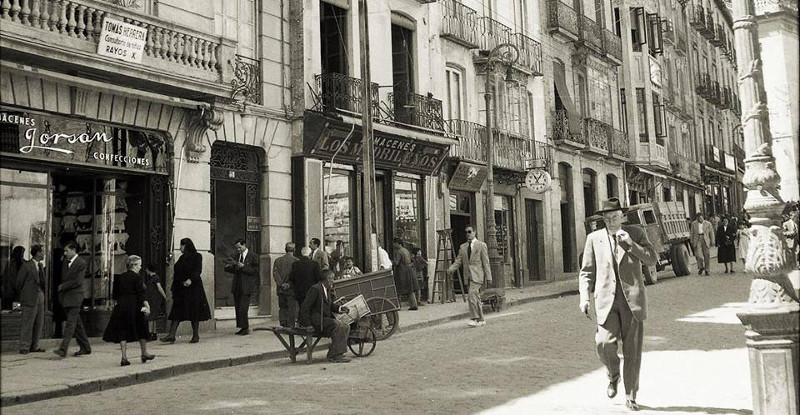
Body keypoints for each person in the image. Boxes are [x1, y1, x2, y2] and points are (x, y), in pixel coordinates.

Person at [578, 198, 657, 412]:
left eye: (614, 217)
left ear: (622, 216)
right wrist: (584, 297)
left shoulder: (636, 233)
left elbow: (652, 259)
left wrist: (631, 245)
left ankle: (631, 395)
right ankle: (613, 375)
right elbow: (586, 271)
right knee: (603, 344)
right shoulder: (594, 238)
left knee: (632, 351)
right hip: (606, 301)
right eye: (606, 218)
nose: (610, 221)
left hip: (632, 301)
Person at [102, 255, 155, 366]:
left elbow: (116, 293)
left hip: (121, 306)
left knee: (123, 330)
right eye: (139, 265)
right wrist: (147, 306)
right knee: (142, 327)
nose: (140, 267)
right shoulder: (137, 278)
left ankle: (124, 357)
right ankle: (144, 353)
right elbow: (141, 295)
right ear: (134, 265)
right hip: (136, 305)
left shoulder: (120, 277)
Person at [161, 238, 211, 344]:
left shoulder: (197, 256)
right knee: (177, 311)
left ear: (187, 246)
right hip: (181, 289)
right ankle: (171, 335)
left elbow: (198, 270)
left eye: (182, 245)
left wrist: (190, 280)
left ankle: (195, 335)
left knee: (194, 311)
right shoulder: (182, 258)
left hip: (193, 289)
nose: (180, 248)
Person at [298, 270, 351, 363]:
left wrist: (340, 308)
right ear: (325, 279)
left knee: (345, 326)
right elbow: (305, 307)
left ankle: (336, 353)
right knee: (340, 325)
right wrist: (307, 324)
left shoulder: (326, 290)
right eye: (331, 279)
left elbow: (330, 306)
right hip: (316, 321)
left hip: (324, 320)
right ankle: (334, 355)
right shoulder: (315, 289)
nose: (333, 281)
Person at [447, 224, 492, 328]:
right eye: (466, 232)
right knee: (475, 297)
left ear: (474, 232)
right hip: (467, 276)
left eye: (469, 232)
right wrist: (451, 269)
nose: (467, 234)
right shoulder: (463, 247)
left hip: (477, 275)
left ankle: (473, 318)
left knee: (471, 295)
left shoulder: (481, 245)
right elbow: (458, 261)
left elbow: (486, 262)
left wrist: (489, 276)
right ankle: (481, 319)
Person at [53, 241, 92, 358]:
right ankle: (86, 347)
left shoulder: (81, 263)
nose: (65, 253)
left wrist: (63, 286)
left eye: (67, 251)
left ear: (74, 250)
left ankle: (63, 348)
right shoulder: (65, 262)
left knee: (70, 324)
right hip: (65, 297)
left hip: (75, 297)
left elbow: (78, 281)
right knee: (77, 324)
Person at [225, 238, 259, 335]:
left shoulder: (253, 256)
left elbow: (255, 271)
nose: (238, 250)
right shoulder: (236, 256)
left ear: (244, 245)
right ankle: (241, 327)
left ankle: (245, 327)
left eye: (239, 247)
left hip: (247, 286)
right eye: (237, 248)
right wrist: (228, 267)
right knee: (238, 307)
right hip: (237, 285)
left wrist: (243, 266)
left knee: (243, 308)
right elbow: (235, 270)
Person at [16, 245, 46, 354]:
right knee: (28, 322)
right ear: (37, 253)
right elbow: (19, 283)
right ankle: (24, 347)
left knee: (39, 322)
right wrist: (24, 294)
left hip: (40, 295)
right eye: (42, 252)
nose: (43, 254)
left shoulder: (41, 265)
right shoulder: (26, 266)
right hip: (29, 297)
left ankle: (35, 345)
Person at [289, 247, 322, 316]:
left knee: (301, 306)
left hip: (299, 290)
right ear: (310, 254)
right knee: (311, 307)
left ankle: (302, 322)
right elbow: (319, 278)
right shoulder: (314, 264)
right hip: (311, 289)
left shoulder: (295, 264)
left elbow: (291, 277)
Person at [273, 242, 299, 327]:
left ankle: (283, 323)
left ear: (285, 249)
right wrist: (289, 284)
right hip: (292, 289)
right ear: (294, 250)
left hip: (281, 289)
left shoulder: (278, 260)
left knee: (282, 307)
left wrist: (281, 284)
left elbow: (275, 274)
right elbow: (296, 275)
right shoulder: (296, 261)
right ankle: (290, 324)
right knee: (291, 307)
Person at [393, 239, 419, 311]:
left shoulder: (398, 252)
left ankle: (398, 305)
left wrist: (392, 262)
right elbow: (411, 259)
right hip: (409, 270)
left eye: (395, 243)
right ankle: (414, 305)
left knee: (398, 288)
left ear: (398, 244)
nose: (394, 245)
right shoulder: (406, 250)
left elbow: (396, 263)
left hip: (402, 271)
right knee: (410, 288)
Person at [143, 264, 167, 340]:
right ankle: (154, 333)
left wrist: (165, 296)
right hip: (152, 298)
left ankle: (150, 333)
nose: (146, 271)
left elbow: (159, 287)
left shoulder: (155, 278)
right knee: (153, 317)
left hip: (153, 299)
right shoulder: (152, 278)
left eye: (147, 269)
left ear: (149, 270)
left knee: (151, 316)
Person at [2, 246, 24, 310]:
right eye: (19, 253)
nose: (21, 255)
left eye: (22, 253)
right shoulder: (10, 264)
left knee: (17, 307)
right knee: (9, 307)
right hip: (10, 290)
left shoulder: (24, 264)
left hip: (19, 291)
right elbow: (5, 277)